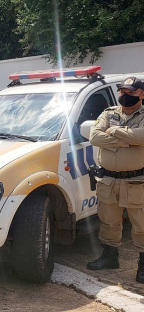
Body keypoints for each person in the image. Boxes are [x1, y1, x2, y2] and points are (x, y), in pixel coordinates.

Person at [88, 76, 144, 283]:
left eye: (131, 92)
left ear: (142, 94)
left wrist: (115, 132)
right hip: (108, 180)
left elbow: (143, 136)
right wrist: (129, 140)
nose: (125, 95)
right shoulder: (108, 113)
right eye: (122, 91)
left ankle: (143, 265)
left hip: (136, 181)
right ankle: (110, 258)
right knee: (109, 222)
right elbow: (94, 137)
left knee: (141, 225)